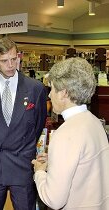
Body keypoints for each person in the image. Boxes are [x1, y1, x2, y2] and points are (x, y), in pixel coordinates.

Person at [0, 36, 47, 210]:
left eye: (14, 59)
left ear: (18, 57)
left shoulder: (35, 88)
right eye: (4, 60)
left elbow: (38, 124)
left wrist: (22, 142)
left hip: (22, 161)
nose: (10, 65)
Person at [32, 57, 109, 210]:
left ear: (64, 93)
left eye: (52, 89)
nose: (49, 95)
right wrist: (55, 160)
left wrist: (39, 173)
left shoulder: (65, 134)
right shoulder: (95, 122)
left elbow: (54, 200)